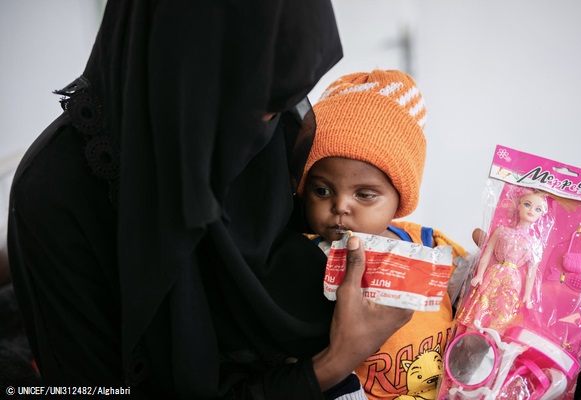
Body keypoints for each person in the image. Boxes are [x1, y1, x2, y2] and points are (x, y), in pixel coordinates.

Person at [7, 1, 414, 398]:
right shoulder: (54, 199)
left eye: (282, 104)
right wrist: (332, 364)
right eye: (257, 107)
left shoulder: (269, 121)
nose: (273, 127)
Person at [297, 69, 467, 400]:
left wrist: (505, 255)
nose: (340, 206)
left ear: (399, 198)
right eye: (321, 189)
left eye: (364, 194)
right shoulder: (300, 259)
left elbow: (475, 295)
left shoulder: (425, 243)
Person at [456, 191, 547, 330]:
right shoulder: (502, 231)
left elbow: (531, 272)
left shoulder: (535, 243)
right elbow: (486, 254)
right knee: (481, 305)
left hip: (513, 280)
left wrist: (528, 295)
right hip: (494, 273)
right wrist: (480, 274)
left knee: (502, 310)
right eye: (527, 205)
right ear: (519, 206)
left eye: (537, 209)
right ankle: (468, 336)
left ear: (541, 215)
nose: (531, 211)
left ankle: (490, 343)